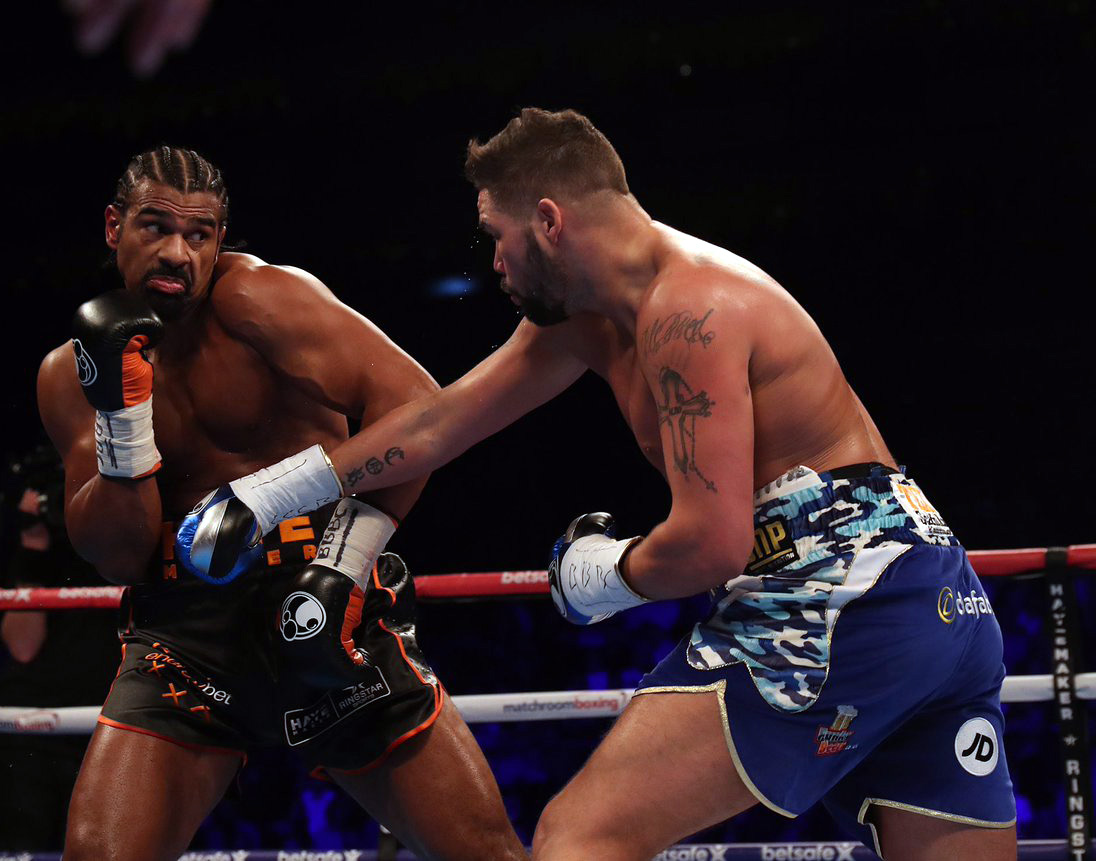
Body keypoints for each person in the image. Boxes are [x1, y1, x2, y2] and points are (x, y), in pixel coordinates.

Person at [179, 110, 1018, 860]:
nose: (492, 261)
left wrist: (603, 574)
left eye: (496, 234)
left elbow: (714, 542)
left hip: (837, 593)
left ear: (548, 221)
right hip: (932, 593)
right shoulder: (584, 322)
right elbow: (440, 422)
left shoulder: (690, 310)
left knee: (582, 838)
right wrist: (273, 494)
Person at [37, 145, 526, 861]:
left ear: (220, 240)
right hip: (185, 637)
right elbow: (119, 554)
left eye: (199, 234)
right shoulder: (68, 374)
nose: (177, 253)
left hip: (320, 600)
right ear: (114, 227)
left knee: (483, 853)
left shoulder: (257, 299)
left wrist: (344, 564)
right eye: (155, 227)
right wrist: (123, 421)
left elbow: (420, 408)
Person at [0, 443, 122, 851]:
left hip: (111, 727)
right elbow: (23, 647)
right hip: (31, 731)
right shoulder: (34, 550)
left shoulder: (132, 534)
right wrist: (33, 546)